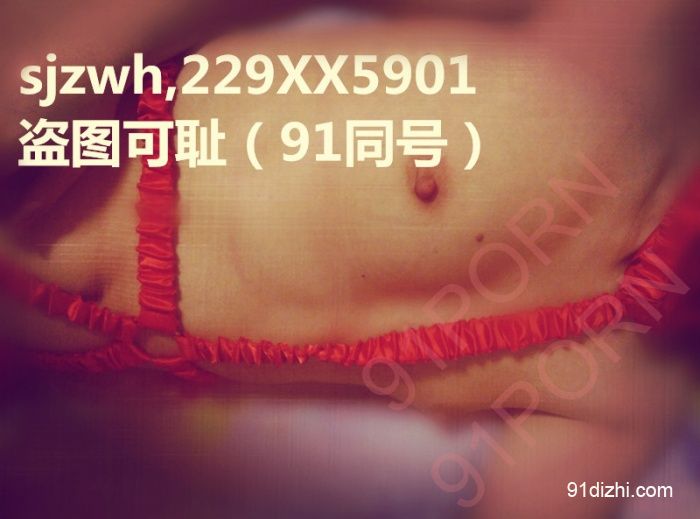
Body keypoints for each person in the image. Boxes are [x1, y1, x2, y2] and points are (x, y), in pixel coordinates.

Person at [1, 1, 698, 517]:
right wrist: (89, 48)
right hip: (57, 128)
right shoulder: (646, 45)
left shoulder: (630, 397)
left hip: (52, 356)